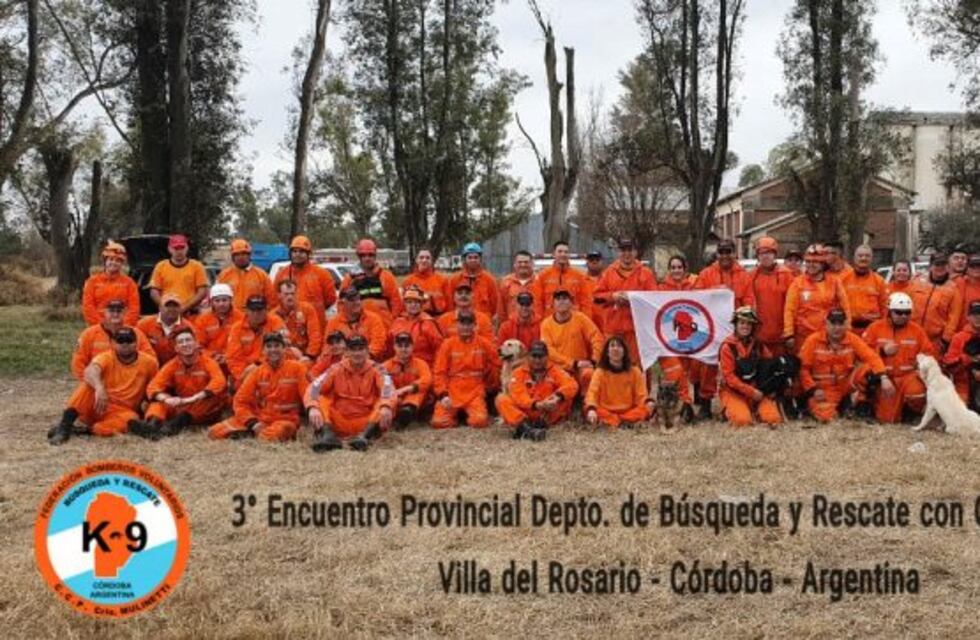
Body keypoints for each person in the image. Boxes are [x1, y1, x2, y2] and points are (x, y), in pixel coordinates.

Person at [48, 327, 160, 444]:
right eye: (120, 340)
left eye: (129, 340)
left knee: (131, 420)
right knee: (88, 386)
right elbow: (90, 371)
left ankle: (83, 431)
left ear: (136, 343)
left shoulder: (150, 363)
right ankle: (64, 426)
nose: (125, 344)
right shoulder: (106, 357)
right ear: (112, 343)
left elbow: (154, 387)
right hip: (99, 403)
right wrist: (99, 388)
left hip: (122, 411)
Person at [692, 237, 755, 420]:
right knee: (707, 366)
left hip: (734, 330)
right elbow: (696, 298)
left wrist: (742, 325)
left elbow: (749, 302)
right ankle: (705, 403)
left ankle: (735, 400)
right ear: (717, 254)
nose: (725, 255)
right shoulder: (706, 274)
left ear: (734, 253)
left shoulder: (744, 276)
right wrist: (715, 292)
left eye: (729, 252)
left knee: (735, 367)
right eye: (722, 252)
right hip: (710, 329)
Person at [209, 332, 309, 442]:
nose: (273, 350)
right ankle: (252, 433)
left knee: (277, 433)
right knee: (215, 432)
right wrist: (252, 423)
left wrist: (311, 412)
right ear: (263, 351)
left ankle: (250, 435)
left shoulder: (298, 368)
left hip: (285, 420)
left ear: (284, 349)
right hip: (261, 418)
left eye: (277, 346)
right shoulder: (257, 372)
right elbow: (240, 401)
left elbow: (308, 395)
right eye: (269, 346)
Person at [132, 327, 228, 438]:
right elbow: (153, 386)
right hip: (182, 403)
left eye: (188, 340)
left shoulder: (208, 363)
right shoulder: (172, 365)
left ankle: (171, 427)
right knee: (157, 403)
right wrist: (167, 399)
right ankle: (151, 425)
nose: (185, 344)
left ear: (196, 344)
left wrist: (193, 398)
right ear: (176, 348)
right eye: (181, 342)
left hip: (203, 406)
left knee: (208, 400)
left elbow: (219, 382)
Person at [798, 309, 891, 423]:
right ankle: (843, 406)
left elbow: (871, 357)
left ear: (846, 324)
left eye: (840, 324)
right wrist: (813, 390)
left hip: (846, 385)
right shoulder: (812, 341)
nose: (837, 328)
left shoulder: (852, 338)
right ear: (826, 324)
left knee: (868, 369)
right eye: (833, 324)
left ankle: (862, 404)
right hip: (823, 389)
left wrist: (883, 377)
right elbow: (802, 369)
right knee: (826, 415)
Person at [306, 334, 394, 451]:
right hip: (339, 421)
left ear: (367, 351)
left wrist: (386, 406)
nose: (357, 353)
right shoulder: (335, 368)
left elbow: (389, 390)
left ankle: (365, 437)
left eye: (361, 349)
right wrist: (312, 407)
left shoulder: (378, 369)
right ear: (346, 351)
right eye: (353, 349)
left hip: (367, 421)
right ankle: (328, 436)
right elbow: (314, 387)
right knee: (322, 399)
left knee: (384, 403)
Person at [859, 292, 934, 423]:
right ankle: (867, 403)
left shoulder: (917, 331)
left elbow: (928, 353)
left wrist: (920, 366)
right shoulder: (875, 328)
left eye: (907, 312)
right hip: (883, 377)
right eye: (899, 312)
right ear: (889, 311)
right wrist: (882, 351)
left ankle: (910, 412)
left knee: (917, 393)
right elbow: (862, 352)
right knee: (887, 419)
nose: (903, 316)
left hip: (907, 376)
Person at [495, 340, 577, 441]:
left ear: (547, 357)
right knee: (501, 399)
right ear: (528, 357)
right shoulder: (518, 373)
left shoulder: (555, 370)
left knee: (567, 397)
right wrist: (537, 404)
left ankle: (537, 426)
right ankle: (526, 428)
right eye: (534, 356)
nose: (537, 360)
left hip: (548, 411)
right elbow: (518, 396)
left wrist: (557, 397)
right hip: (528, 411)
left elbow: (572, 384)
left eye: (541, 356)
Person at [431, 311, 501, 429]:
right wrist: (443, 394)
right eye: (462, 323)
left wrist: (492, 384)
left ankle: (467, 414)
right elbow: (439, 372)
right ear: (457, 325)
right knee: (438, 422)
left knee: (479, 421)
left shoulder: (484, 343)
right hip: (452, 390)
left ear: (475, 325)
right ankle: (458, 416)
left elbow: (499, 362)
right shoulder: (448, 344)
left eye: (469, 324)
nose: (466, 327)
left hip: (475, 391)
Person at [593, 238, 658, 363]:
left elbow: (653, 298)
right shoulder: (608, 273)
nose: (627, 254)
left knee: (636, 365)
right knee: (613, 365)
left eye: (630, 250)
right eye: (623, 250)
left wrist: (633, 299)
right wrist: (613, 297)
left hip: (636, 329)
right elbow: (596, 296)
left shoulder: (646, 273)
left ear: (635, 252)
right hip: (613, 328)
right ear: (619, 252)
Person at [718, 307, 783, 428]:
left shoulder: (759, 346)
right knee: (742, 421)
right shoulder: (727, 347)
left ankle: (754, 409)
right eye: (742, 323)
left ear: (753, 327)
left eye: (749, 324)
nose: (745, 326)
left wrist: (770, 388)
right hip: (734, 392)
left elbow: (770, 365)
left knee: (773, 419)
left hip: (757, 391)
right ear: (736, 325)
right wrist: (751, 392)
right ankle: (729, 410)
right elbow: (729, 378)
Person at [783, 244, 850, 354]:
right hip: (804, 337)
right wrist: (789, 333)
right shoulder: (797, 283)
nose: (811, 265)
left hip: (828, 337)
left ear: (822, 264)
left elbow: (845, 306)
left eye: (815, 262)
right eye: (808, 262)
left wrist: (847, 328)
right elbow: (789, 310)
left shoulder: (834, 282)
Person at [540, 288, 603, 399]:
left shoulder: (581, 318)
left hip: (581, 367)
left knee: (589, 374)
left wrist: (594, 360)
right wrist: (572, 363)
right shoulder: (546, 324)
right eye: (558, 299)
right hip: (559, 369)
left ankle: (586, 402)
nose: (562, 301)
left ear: (571, 303)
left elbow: (596, 337)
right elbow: (549, 351)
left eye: (565, 298)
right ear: (552, 304)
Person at [72, 300, 155, 379]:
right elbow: (78, 363)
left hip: (128, 381)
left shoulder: (136, 333)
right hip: (98, 381)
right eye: (111, 311)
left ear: (125, 313)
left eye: (119, 311)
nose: (115, 314)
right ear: (103, 312)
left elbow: (151, 359)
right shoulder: (89, 334)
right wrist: (88, 381)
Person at [585, 335, 654, 429]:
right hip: (607, 411)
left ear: (624, 351)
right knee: (591, 409)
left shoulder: (635, 371)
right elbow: (592, 393)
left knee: (646, 408)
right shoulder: (599, 372)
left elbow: (642, 395)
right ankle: (622, 422)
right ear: (607, 352)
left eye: (619, 346)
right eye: (612, 346)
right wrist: (591, 409)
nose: (616, 349)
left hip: (629, 411)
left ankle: (617, 422)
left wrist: (648, 402)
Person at [658, 254, 699, 411]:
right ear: (669, 270)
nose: (676, 270)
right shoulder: (660, 289)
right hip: (668, 338)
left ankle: (682, 406)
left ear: (685, 269)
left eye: (679, 267)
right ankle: (684, 403)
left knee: (685, 373)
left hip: (688, 337)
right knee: (676, 371)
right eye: (673, 267)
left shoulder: (694, 287)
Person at [273, 235, 337, 330]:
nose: (297, 254)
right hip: (290, 328)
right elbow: (274, 299)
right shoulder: (282, 274)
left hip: (316, 327)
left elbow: (330, 299)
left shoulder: (322, 274)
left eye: (301, 251)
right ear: (290, 253)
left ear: (308, 254)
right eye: (295, 251)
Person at [224, 295, 287, 387]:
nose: (256, 314)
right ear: (246, 311)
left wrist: (258, 366)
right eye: (253, 310)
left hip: (269, 370)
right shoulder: (237, 328)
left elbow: (282, 349)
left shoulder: (276, 322)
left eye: (260, 310)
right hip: (244, 374)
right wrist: (242, 376)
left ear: (266, 310)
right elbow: (233, 357)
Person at [340, 238, 404, 327]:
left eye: (370, 255)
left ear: (375, 256)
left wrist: (392, 324)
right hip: (360, 329)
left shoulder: (386, 277)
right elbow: (341, 305)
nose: (367, 258)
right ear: (359, 257)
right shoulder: (350, 279)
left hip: (384, 328)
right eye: (363, 255)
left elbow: (396, 304)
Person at [907, 252, 963, 353]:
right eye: (937, 264)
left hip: (935, 341)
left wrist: (946, 339)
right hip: (911, 335)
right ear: (931, 266)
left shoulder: (953, 289)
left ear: (948, 267)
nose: (940, 268)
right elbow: (906, 305)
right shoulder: (916, 282)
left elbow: (954, 317)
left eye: (943, 264)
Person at [750, 237, 794, 357]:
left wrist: (789, 332)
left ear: (775, 255)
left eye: (769, 252)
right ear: (758, 256)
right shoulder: (752, 276)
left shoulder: (786, 275)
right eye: (762, 253)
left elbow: (792, 306)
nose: (765, 256)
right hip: (759, 337)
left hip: (782, 338)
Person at [82, 241, 140, 326]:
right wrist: (101, 326)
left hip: (123, 327)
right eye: (111, 259)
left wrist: (123, 326)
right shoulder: (92, 282)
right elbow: (88, 307)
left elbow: (134, 308)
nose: (114, 263)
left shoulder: (129, 283)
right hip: (98, 326)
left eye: (118, 261)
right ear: (105, 261)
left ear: (122, 263)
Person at [148, 233, 209, 315]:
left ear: (187, 248)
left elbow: (202, 291)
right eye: (176, 248)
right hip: (167, 315)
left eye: (182, 248)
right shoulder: (161, 266)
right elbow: (154, 292)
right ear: (169, 249)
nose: (179, 251)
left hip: (191, 315)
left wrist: (184, 308)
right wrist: (164, 307)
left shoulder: (197, 266)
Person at [383, 332, 433, 428]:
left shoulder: (421, 364)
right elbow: (382, 384)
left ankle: (407, 410)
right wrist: (394, 393)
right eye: (400, 346)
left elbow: (427, 380)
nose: (403, 349)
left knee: (419, 390)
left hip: (416, 401)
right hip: (395, 398)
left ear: (412, 347)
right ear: (394, 347)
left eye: (406, 346)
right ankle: (399, 415)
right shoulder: (386, 366)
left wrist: (408, 388)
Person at [533, 241, 592, 320]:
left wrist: (585, 322)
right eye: (560, 251)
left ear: (569, 255)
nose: (563, 254)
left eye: (566, 252)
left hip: (574, 322)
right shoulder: (543, 276)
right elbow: (537, 302)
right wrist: (540, 322)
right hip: (550, 322)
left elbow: (586, 302)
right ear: (554, 254)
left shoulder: (579, 276)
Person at [324, 287, 388, 360]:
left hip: (369, 361)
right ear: (342, 303)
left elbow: (379, 343)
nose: (357, 303)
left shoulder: (373, 319)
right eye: (352, 300)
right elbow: (327, 348)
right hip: (341, 363)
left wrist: (360, 357)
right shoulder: (333, 323)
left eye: (358, 299)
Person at [137, 292, 199, 365]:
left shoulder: (188, 327)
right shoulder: (143, 325)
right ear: (160, 308)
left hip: (177, 367)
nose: (171, 309)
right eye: (167, 306)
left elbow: (195, 351)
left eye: (175, 306)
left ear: (181, 308)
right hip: (149, 365)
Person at [389, 286, 444, 366]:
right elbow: (390, 347)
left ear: (421, 304)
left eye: (416, 302)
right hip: (402, 367)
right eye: (409, 302)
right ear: (404, 304)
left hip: (425, 367)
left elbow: (440, 350)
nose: (413, 305)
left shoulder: (428, 323)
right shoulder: (397, 322)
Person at [217, 238, 276, 311]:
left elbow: (272, 300)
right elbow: (216, 298)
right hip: (231, 316)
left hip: (254, 316)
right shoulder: (224, 275)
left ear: (249, 255)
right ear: (233, 257)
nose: (240, 257)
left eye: (244, 253)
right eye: (237, 254)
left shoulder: (261, 275)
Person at [840, 244, 889, 332]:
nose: (863, 258)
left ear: (871, 259)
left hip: (872, 329)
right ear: (854, 258)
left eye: (867, 256)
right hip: (849, 329)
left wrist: (883, 328)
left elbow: (884, 308)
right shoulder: (843, 279)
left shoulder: (879, 281)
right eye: (860, 256)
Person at [273, 279, 322, 362]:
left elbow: (315, 335)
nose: (290, 297)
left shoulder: (307, 309)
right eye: (286, 294)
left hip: (306, 355)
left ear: (297, 294)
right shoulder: (273, 315)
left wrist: (309, 355)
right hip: (283, 357)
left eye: (292, 293)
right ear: (279, 295)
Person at [193, 283, 242, 365]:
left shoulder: (241, 317)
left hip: (235, 360)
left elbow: (245, 344)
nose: (221, 304)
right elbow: (198, 345)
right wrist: (213, 356)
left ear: (230, 300)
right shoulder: (202, 320)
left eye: (224, 300)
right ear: (211, 302)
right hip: (209, 361)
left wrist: (228, 356)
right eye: (217, 301)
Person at [448, 242, 499, 320]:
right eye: (470, 257)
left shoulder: (489, 280)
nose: (473, 260)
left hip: (483, 322)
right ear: (465, 259)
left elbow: (495, 305)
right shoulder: (454, 279)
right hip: (461, 322)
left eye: (476, 257)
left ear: (480, 259)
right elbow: (450, 304)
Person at [943, 300, 980, 403]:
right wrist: (968, 359)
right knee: (959, 406)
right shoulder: (958, 338)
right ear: (968, 317)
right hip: (963, 384)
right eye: (974, 314)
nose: (978, 317)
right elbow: (948, 365)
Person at [402, 248, 451, 316]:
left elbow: (449, 305)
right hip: (415, 319)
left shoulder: (442, 280)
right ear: (416, 260)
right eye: (421, 257)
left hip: (437, 318)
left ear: (431, 261)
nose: (424, 260)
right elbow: (403, 305)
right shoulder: (408, 281)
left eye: (427, 258)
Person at [498, 250, 537, 321]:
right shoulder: (506, 282)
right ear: (514, 264)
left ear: (532, 264)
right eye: (520, 262)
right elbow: (501, 310)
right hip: (512, 325)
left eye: (526, 262)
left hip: (535, 325)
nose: (523, 265)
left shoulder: (539, 282)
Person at [956, 254, 980, 331]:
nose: (976, 269)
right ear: (967, 268)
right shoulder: (959, 283)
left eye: (979, 266)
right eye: (972, 266)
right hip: (962, 331)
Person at [584, 250, 606, 331]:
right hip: (586, 324)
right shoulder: (580, 280)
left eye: (597, 260)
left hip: (605, 324)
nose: (594, 262)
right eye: (591, 260)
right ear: (587, 263)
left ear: (602, 262)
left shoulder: (608, 280)